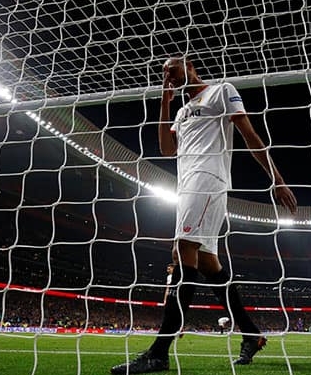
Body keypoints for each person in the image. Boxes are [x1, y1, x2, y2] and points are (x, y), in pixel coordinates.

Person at [110, 56, 297, 374]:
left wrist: (276, 179)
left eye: (172, 68)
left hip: (208, 180)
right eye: (164, 71)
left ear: (191, 65)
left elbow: (250, 136)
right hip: (186, 187)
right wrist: (165, 102)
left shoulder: (221, 91)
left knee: (182, 249)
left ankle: (159, 352)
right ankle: (251, 334)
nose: (168, 73)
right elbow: (167, 150)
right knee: (208, 263)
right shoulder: (181, 112)